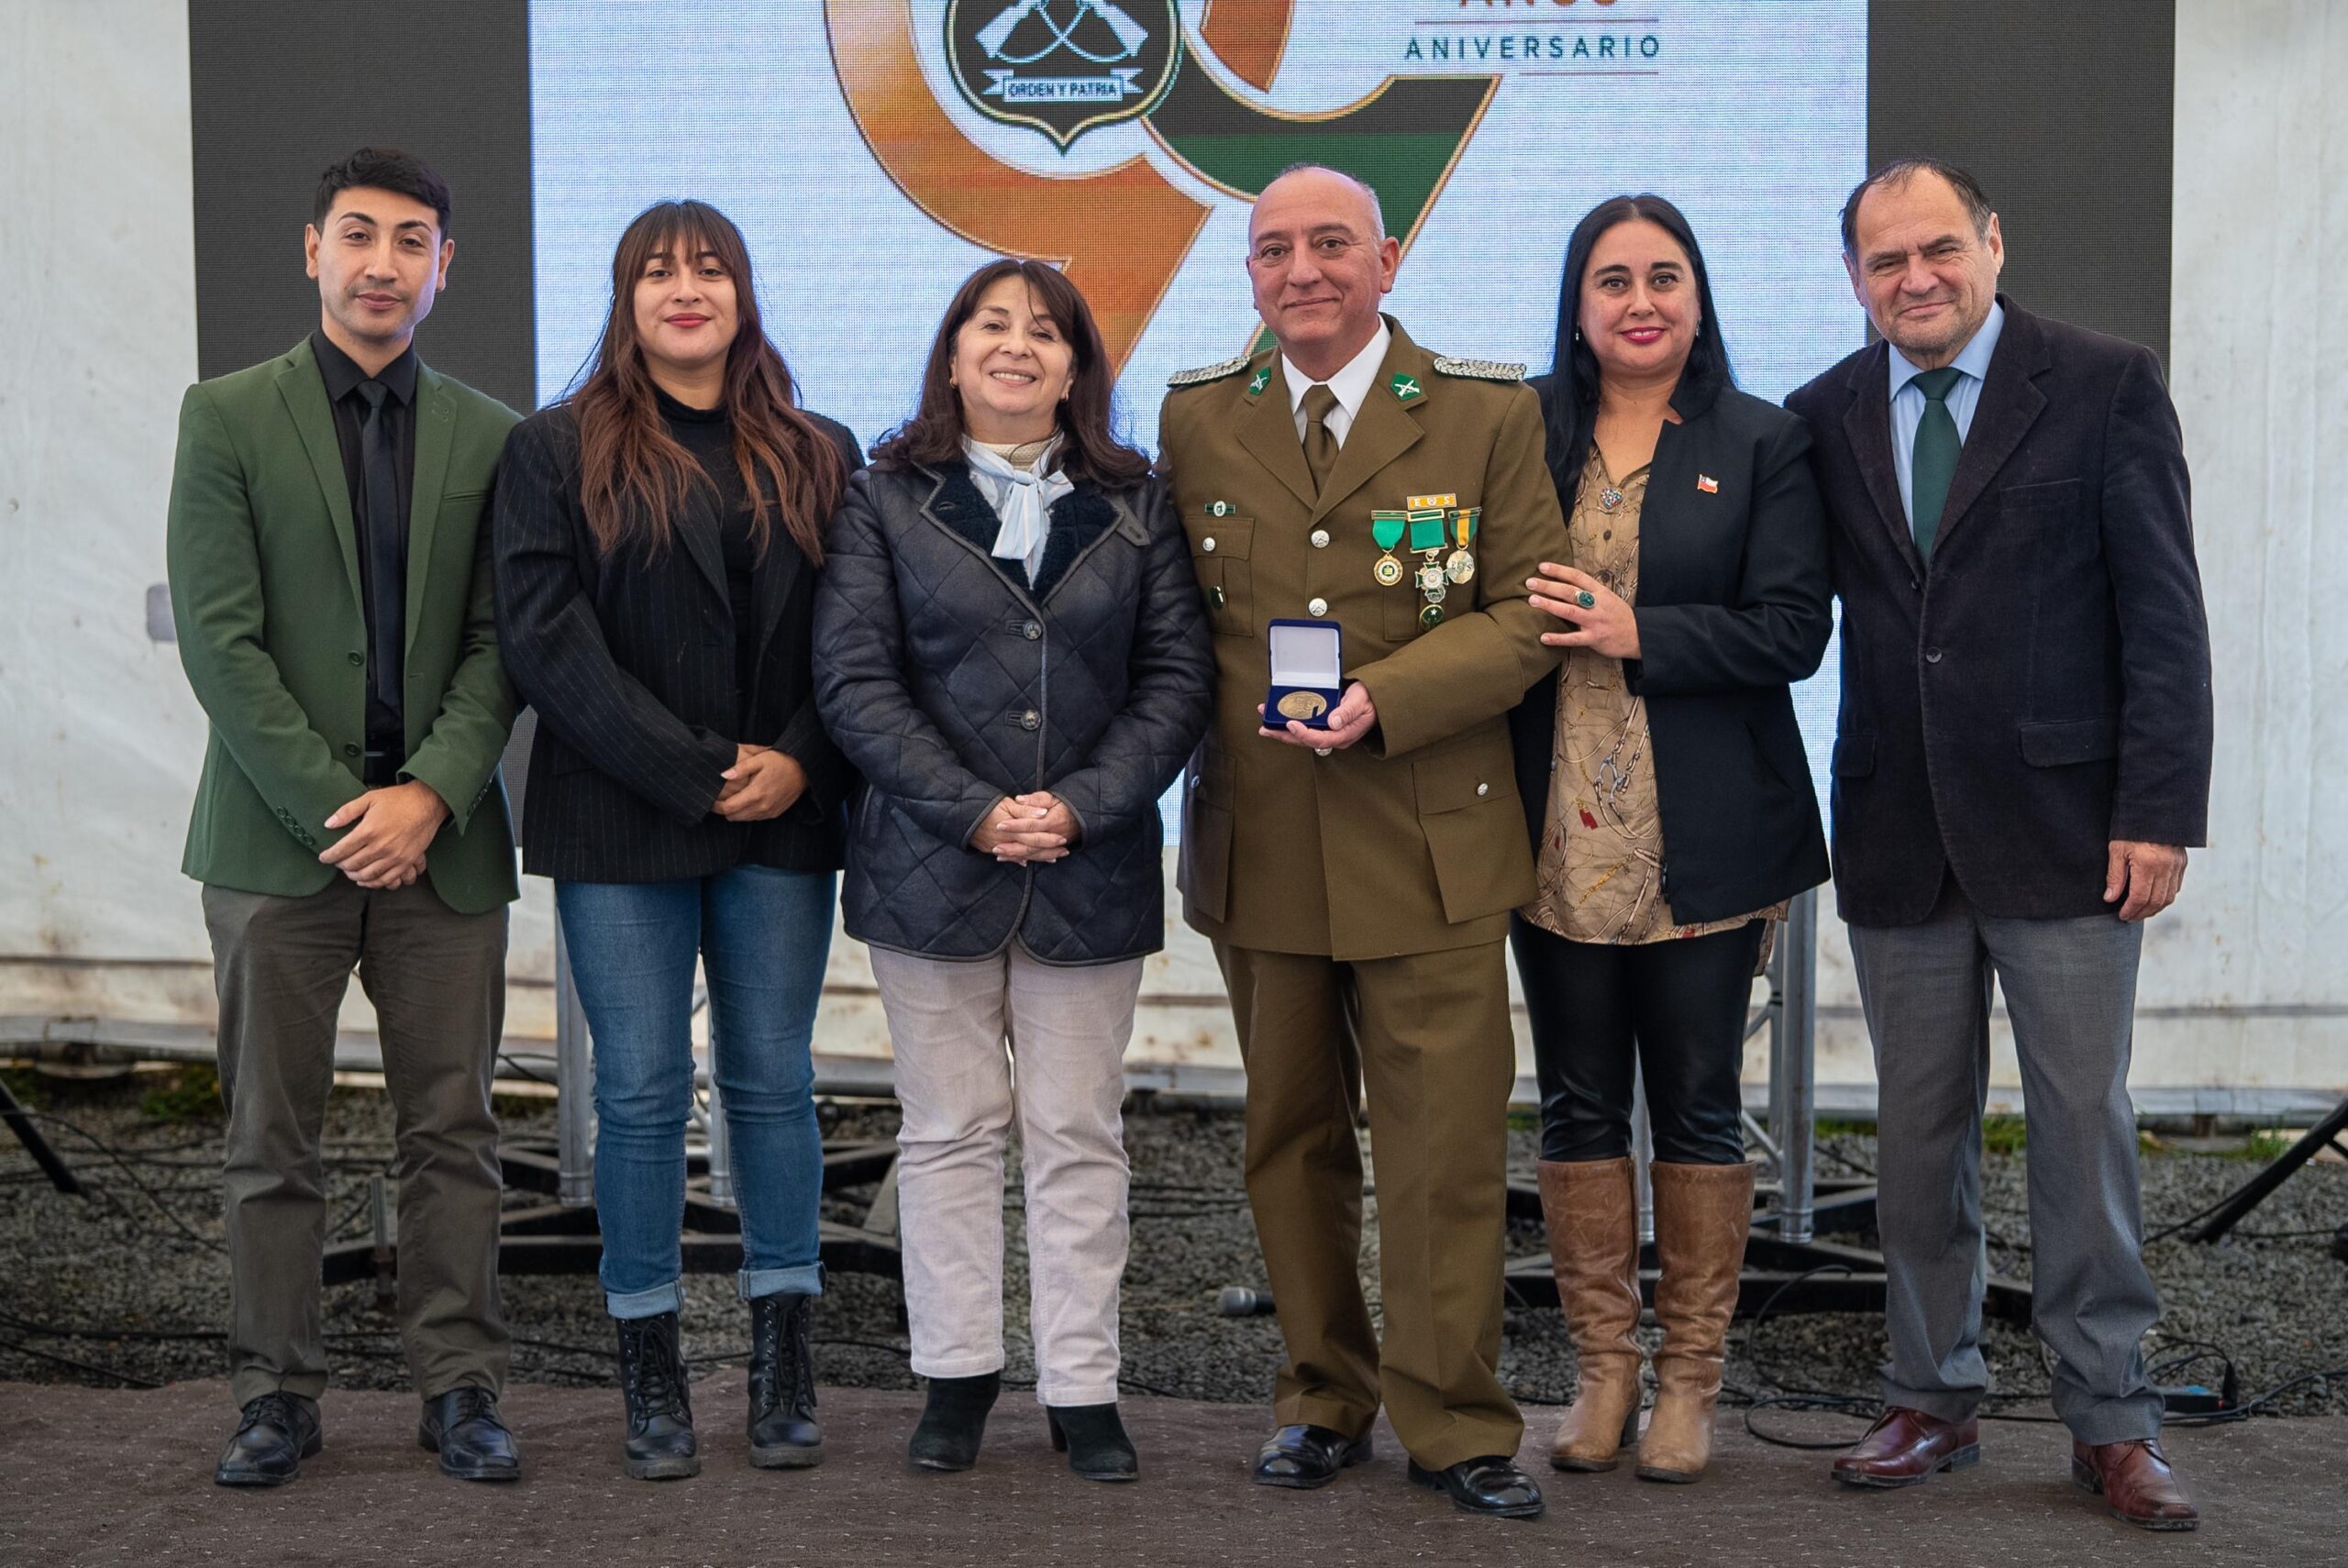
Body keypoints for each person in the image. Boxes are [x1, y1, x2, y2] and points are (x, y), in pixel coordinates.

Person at [1786, 159, 2212, 1530]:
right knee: (1916, 1134)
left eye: (1937, 250)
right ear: (1855, 278)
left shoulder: (2104, 382)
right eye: (1884, 260)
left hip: (2072, 832)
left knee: (2081, 1127)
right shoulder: (1823, 414)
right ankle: (1931, 1396)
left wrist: (2159, 807)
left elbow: (2164, 614)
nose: (1915, 278)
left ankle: (2113, 1419)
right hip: (1901, 834)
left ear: (1990, 244)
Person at [1157, 164, 1570, 1521]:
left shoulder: (1485, 414)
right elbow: (1180, 631)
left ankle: (1452, 1418)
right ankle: (1320, 1396)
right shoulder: (1198, 417)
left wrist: (1388, 696)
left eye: (1330, 243)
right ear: (1251, 276)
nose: (1302, 270)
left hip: (1433, 842)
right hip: (1263, 840)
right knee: (1290, 1139)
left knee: (1444, 1148)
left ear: (1387, 259)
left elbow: (1526, 617)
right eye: (1273, 250)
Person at [813, 259, 1212, 1483]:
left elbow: (1177, 682)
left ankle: (1083, 1385)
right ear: (949, 355)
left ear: (1081, 367)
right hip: (929, 864)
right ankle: (956, 1374)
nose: (1018, 348)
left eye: (1047, 333)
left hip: (1089, 870)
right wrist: (976, 809)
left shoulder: (1140, 503)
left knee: (1079, 1134)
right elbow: (855, 683)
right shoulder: (882, 500)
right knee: (946, 1132)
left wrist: (1079, 808)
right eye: (993, 326)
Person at [166, 147, 522, 1486]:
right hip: (278, 847)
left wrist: (427, 796)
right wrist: (344, 810)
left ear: (445, 268)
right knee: (272, 1135)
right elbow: (221, 644)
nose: (384, 261)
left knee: (457, 1129)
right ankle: (274, 1394)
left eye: (412, 239)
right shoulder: (225, 417)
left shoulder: (496, 437)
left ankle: (462, 1383)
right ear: (311, 250)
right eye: (358, 235)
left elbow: (505, 645)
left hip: (446, 846)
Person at [492, 199, 858, 1481]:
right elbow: (546, 642)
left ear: (745, 293)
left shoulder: (821, 449)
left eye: (710, 268)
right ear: (625, 297)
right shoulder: (553, 447)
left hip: (785, 813)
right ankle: (649, 1366)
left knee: (772, 1080)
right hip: (622, 815)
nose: (686, 289)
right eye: (659, 270)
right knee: (641, 1094)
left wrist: (801, 757)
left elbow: (855, 643)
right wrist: (696, 772)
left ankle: (782, 1357)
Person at [1509, 195, 1832, 1484]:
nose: (1639, 300)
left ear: (1698, 296)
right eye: (1612, 280)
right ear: (1578, 307)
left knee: (1697, 1103)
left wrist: (1643, 632)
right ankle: (1602, 1373)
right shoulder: (1521, 431)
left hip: (1701, 827)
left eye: (1664, 276)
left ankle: (1691, 1384)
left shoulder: (1765, 441)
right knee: (1579, 1098)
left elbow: (1792, 631)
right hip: (1548, 830)